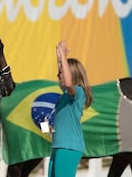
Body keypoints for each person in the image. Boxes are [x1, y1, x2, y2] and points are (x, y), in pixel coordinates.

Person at [48, 40, 93, 177]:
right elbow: (65, 83)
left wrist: (63, 56)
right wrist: (60, 59)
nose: (57, 75)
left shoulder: (78, 92)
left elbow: (68, 83)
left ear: (72, 75)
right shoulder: (64, 97)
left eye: (61, 72)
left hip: (68, 147)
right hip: (58, 147)